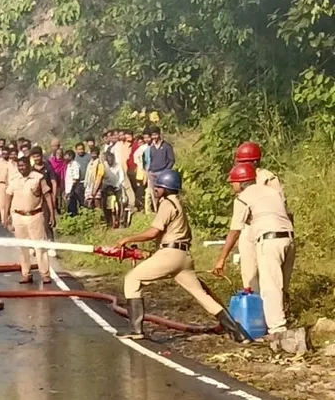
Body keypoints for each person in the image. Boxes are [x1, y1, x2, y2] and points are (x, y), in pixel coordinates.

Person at [113, 170, 250, 341]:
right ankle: (237, 332)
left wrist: (128, 238)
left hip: (170, 254)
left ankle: (135, 330)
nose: (156, 189)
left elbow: (153, 232)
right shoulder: (178, 204)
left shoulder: (167, 204)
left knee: (132, 279)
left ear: (166, 188)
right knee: (201, 296)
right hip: (183, 256)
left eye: (159, 186)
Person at [211, 163, 295, 340]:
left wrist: (221, 259)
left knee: (270, 286)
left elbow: (235, 231)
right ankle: (281, 319)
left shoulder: (243, 197)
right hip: (288, 238)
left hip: (269, 240)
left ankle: (277, 331)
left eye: (233, 182)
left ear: (241, 182)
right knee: (281, 286)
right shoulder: (272, 192)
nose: (231, 186)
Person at [227, 141, 288, 295]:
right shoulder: (245, 174)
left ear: (255, 162)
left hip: (265, 224)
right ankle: (253, 299)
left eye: (246, 162)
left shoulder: (267, 177)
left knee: (271, 271)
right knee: (249, 268)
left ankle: (274, 304)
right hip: (249, 227)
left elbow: (279, 203)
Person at [6, 156, 56, 284]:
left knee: (40, 246)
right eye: (19, 166)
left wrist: (52, 214)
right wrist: (5, 216)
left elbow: (47, 195)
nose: (22, 168)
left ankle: (45, 274)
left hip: (36, 216)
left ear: (29, 164)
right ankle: (26, 274)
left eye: (24, 165)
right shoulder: (14, 179)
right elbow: (8, 197)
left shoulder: (38, 177)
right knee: (23, 248)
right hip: (19, 216)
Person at [146, 127, 175, 212]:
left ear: (159, 134)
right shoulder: (150, 148)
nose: (154, 137)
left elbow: (172, 160)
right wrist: (148, 171)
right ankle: (156, 210)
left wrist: (166, 170)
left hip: (163, 173)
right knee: (154, 194)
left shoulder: (166, 146)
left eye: (155, 134)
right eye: (152, 135)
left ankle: (166, 210)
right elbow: (148, 160)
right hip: (152, 173)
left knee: (164, 192)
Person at [99, 150, 127, 228]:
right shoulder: (104, 166)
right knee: (105, 204)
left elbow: (122, 177)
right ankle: (109, 221)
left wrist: (118, 185)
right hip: (107, 188)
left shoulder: (118, 166)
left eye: (111, 160)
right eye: (109, 160)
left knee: (120, 203)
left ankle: (121, 220)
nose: (110, 161)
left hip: (117, 187)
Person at [0, 146, 16, 228]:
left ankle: (11, 220)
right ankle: (3, 220)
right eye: (3, 153)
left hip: (10, 184)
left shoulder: (11, 162)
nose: (5, 155)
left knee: (10, 203)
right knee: (2, 204)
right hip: (0, 184)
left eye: (6, 153)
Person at [133, 131, 153, 213]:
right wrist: (141, 166)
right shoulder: (142, 148)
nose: (146, 139)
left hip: (152, 171)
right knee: (142, 190)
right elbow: (136, 157)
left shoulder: (152, 147)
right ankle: (145, 208)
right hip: (143, 171)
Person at [66, 146, 86, 215]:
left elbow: (76, 178)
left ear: (70, 156)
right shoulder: (68, 165)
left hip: (75, 188)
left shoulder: (75, 165)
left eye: (66, 156)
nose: (65, 157)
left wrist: (72, 189)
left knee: (78, 204)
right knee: (71, 206)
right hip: (69, 189)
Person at [85, 146, 104, 210]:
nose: (93, 155)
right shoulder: (90, 163)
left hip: (96, 186)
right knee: (89, 204)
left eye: (95, 153)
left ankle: (99, 218)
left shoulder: (100, 164)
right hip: (89, 185)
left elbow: (99, 177)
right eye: (92, 153)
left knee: (97, 203)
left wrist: (95, 189)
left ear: (98, 154)